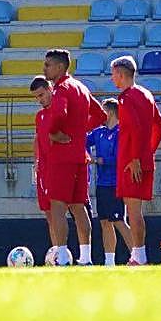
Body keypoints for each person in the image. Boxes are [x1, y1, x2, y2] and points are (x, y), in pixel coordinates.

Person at [42, 49, 106, 266]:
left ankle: (61, 257)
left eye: (48, 65)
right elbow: (101, 115)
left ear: (60, 67)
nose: (45, 68)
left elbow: (58, 114)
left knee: (58, 206)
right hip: (80, 156)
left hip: (62, 157)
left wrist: (54, 133)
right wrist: (79, 132)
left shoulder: (61, 89)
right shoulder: (81, 87)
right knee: (79, 207)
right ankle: (86, 258)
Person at [110, 57, 161, 266]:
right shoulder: (146, 94)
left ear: (121, 74)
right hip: (141, 159)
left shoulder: (126, 97)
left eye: (113, 74)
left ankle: (139, 256)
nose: (112, 78)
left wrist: (135, 158)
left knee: (133, 210)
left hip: (132, 162)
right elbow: (159, 125)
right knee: (133, 208)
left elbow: (135, 128)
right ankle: (137, 254)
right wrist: (148, 152)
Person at [86, 97, 130, 266]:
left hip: (115, 183)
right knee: (104, 221)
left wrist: (98, 160)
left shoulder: (120, 132)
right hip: (102, 184)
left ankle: (137, 255)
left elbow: (120, 158)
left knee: (119, 220)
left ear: (110, 111)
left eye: (102, 110)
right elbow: (82, 141)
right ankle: (109, 261)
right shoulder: (98, 132)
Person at [30, 77, 54, 233]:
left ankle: (83, 253)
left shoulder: (60, 110)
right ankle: (58, 252)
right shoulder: (40, 116)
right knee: (49, 213)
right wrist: (36, 161)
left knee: (73, 209)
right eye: (37, 97)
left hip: (59, 166)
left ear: (50, 89)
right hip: (44, 168)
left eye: (41, 95)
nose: (39, 100)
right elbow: (37, 139)